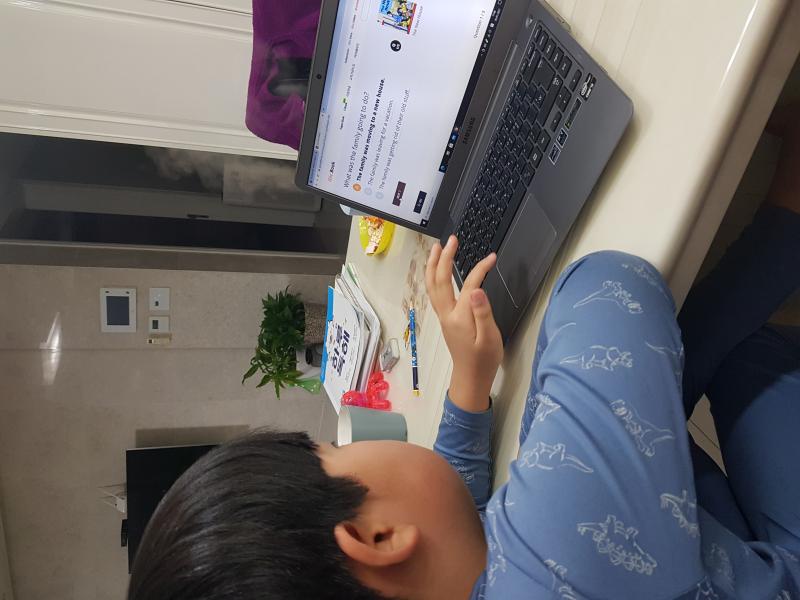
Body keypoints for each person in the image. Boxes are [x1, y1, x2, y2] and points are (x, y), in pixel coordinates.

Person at [128, 112, 800, 599]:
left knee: (678, 367)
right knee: (734, 349)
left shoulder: (457, 576)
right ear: (376, 539)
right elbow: (611, 288)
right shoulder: (551, 553)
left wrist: (471, 384)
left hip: (684, 555)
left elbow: (454, 516)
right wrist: (542, 423)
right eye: (327, 450)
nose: (344, 445)